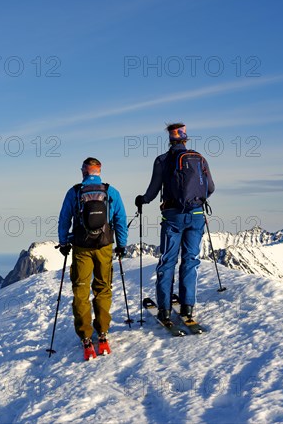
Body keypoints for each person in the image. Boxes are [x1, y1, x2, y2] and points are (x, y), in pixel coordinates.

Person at [135, 123, 215, 324]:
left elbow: (152, 191)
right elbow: (211, 188)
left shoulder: (162, 160)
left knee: (168, 260)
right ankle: (188, 306)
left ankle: (165, 310)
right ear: (186, 138)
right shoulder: (199, 159)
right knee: (190, 259)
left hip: (173, 216)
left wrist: (142, 200)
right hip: (197, 214)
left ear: (170, 139)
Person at [58, 157, 128, 359]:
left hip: (81, 247)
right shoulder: (111, 192)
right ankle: (103, 333)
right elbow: (120, 220)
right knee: (103, 288)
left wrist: (64, 243)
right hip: (104, 246)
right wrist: (121, 245)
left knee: (80, 289)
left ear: (83, 172)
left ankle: (86, 337)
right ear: (99, 171)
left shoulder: (75, 192)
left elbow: (64, 219)